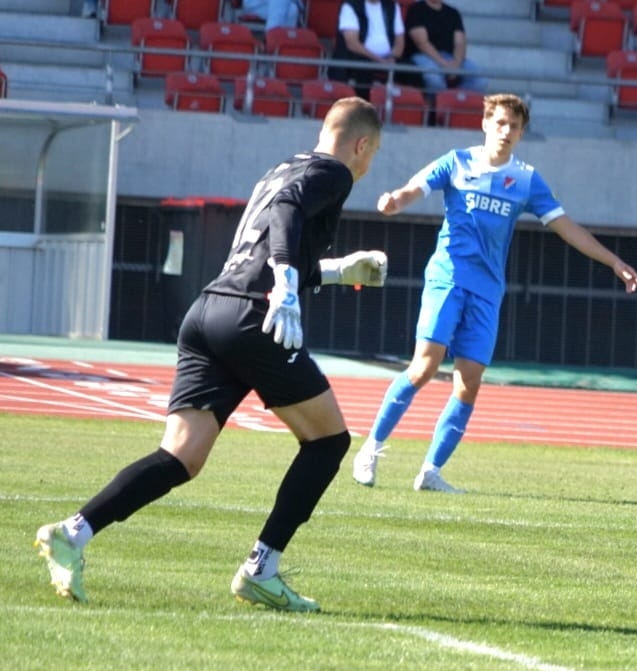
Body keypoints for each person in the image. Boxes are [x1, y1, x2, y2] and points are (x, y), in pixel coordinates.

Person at [34, 98, 388, 612]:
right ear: (362, 144)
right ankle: (261, 569)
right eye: (373, 154)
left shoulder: (281, 167)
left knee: (180, 456)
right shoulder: (333, 172)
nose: (368, 164)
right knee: (328, 441)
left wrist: (336, 271)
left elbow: (266, 242)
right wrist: (287, 284)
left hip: (209, 311)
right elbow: (287, 214)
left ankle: (74, 532)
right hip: (252, 317)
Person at [351, 92, 637, 493]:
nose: (506, 131)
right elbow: (415, 188)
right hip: (448, 278)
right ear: (486, 123)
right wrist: (395, 201)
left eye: (514, 126)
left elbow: (567, 227)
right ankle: (370, 449)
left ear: (521, 133)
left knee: (469, 383)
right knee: (424, 367)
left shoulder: (526, 179)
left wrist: (613, 261)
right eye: (500, 123)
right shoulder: (457, 162)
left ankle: (430, 472)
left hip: (487, 291)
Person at [402, 0, 487, 93]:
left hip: (450, 57)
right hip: (423, 56)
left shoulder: (453, 13)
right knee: (433, 78)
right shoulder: (416, 10)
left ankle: (454, 99)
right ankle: (440, 101)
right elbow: (421, 42)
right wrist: (443, 63)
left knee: (480, 80)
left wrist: (456, 65)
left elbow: (460, 43)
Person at [329, 0, 407, 93]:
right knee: (364, 70)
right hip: (359, 56)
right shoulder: (350, 6)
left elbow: (400, 40)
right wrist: (380, 61)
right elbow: (353, 44)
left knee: (411, 70)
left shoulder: (392, 6)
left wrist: (392, 57)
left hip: (388, 58)